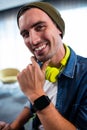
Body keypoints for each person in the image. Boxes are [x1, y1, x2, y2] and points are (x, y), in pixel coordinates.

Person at [0, 1, 87, 130]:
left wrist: (36, 94)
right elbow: (31, 104)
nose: (33, 40)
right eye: (25, 34)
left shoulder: (84, 75)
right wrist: (15, 125)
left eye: (40, 27)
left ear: (59, 28)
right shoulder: (38, 66)